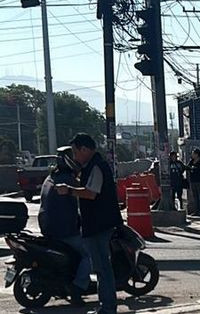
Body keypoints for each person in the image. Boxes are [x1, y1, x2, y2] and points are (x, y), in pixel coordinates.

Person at [56, 133, 123, 314]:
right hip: (94, 224)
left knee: (103, 268)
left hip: (99, 225)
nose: (75, 156)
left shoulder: (97, 167)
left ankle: (108, 308)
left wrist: (69, 190)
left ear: (85, 149)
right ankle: (106, 306)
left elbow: (91, 193)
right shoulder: (88, 167)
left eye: (75, 152)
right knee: (100, 268)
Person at [39, 156, 90, 306]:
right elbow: (84, 198)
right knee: (89, 254)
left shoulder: (50, 178)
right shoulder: (68, 180)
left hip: (47, 227)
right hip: (64, 230)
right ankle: (78, 286)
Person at [188, 149, 200, 216]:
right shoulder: (191, 161)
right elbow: (188, 167)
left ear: (197, 154)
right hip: (193, 180)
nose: (192, 155)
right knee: (195, 196)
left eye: (193, 154)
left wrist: (194, 169)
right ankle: (196, 210)